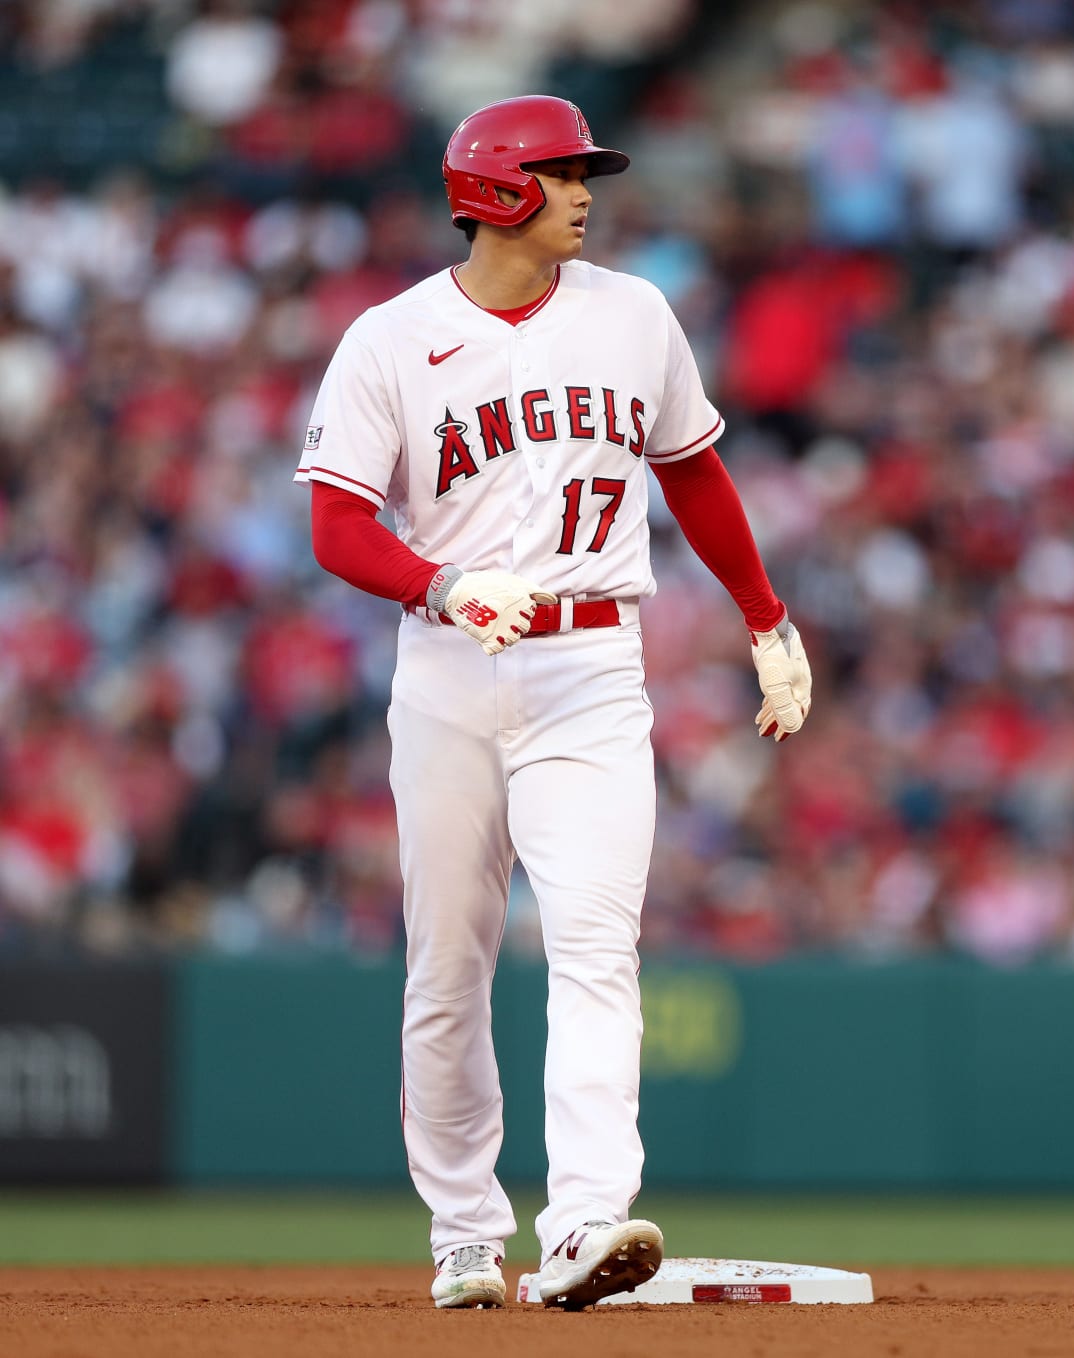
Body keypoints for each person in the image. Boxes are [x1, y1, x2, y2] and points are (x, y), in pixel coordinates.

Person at [295, 95, 812, 1310]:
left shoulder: (635, 316)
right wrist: (443, 583)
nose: (586, 190)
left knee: (595, 946)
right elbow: (334, 525)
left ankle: (583, 1219)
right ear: (495, 191)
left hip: (592, 667)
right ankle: (467, 1234)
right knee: (448, 963)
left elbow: (694, 472)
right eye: (564, 172)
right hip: (450, 670)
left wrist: (765, 615)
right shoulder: (389, 338)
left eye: (587, 172)